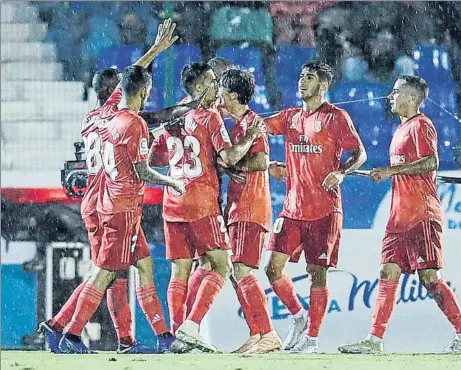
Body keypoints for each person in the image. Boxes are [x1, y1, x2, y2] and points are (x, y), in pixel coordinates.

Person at [39, 19, 193, 354]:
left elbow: (133, 81)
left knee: (137, 265)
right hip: (115, 201)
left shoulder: (95, 117)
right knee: (108, 273)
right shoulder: (127, 119)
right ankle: (68, 331)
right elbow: (136, 87)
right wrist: (156, 50)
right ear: (115, 90)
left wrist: (154, 52)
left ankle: (154, 337)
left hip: (97, 199)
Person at [338, 75, 461, 354]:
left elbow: (431, 162)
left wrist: (390, 171)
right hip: (398, 218)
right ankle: (374, 340)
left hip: (421, 215)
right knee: (387, 271)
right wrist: (387, 173)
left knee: (429, 277)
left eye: (395, 92)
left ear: (411, 98)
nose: (390, 96)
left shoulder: (421, 125)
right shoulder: (400, 129)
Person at [149, 62, 266, 353]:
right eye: (213, 82)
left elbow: (155, 159)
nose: (217, 87)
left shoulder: (173, 118)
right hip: (201, 203)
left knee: (180, 270)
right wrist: (251, 135)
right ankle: (191, 325)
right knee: (222, 264)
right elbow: (227, 157)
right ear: (200, 88)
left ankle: (176, 336)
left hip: (172, 201)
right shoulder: (210, 117)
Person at [263, 61, 367, 353]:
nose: (301, 81)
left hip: (324, 210)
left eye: (309, 78)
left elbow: (360, 153)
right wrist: (268, 164)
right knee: (272, 269)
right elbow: (258, 127)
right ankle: (298, 317)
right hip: (292, 210)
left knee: (316, 273)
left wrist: (342, 172)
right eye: (300, 75)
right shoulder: (290, 117)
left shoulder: (336, 117)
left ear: (322, 85)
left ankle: (312, 339)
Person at [216, 68, 282, 354]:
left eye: (220, 89)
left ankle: (268, 333)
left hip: (250, 206)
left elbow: (262, 162)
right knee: (235, 271)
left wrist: (234, 167)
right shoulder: (238, 125)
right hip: (238, 206)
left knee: (242, 269)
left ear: (231, 95)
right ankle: (256, 334)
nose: (217, 93)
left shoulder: (254, 123)